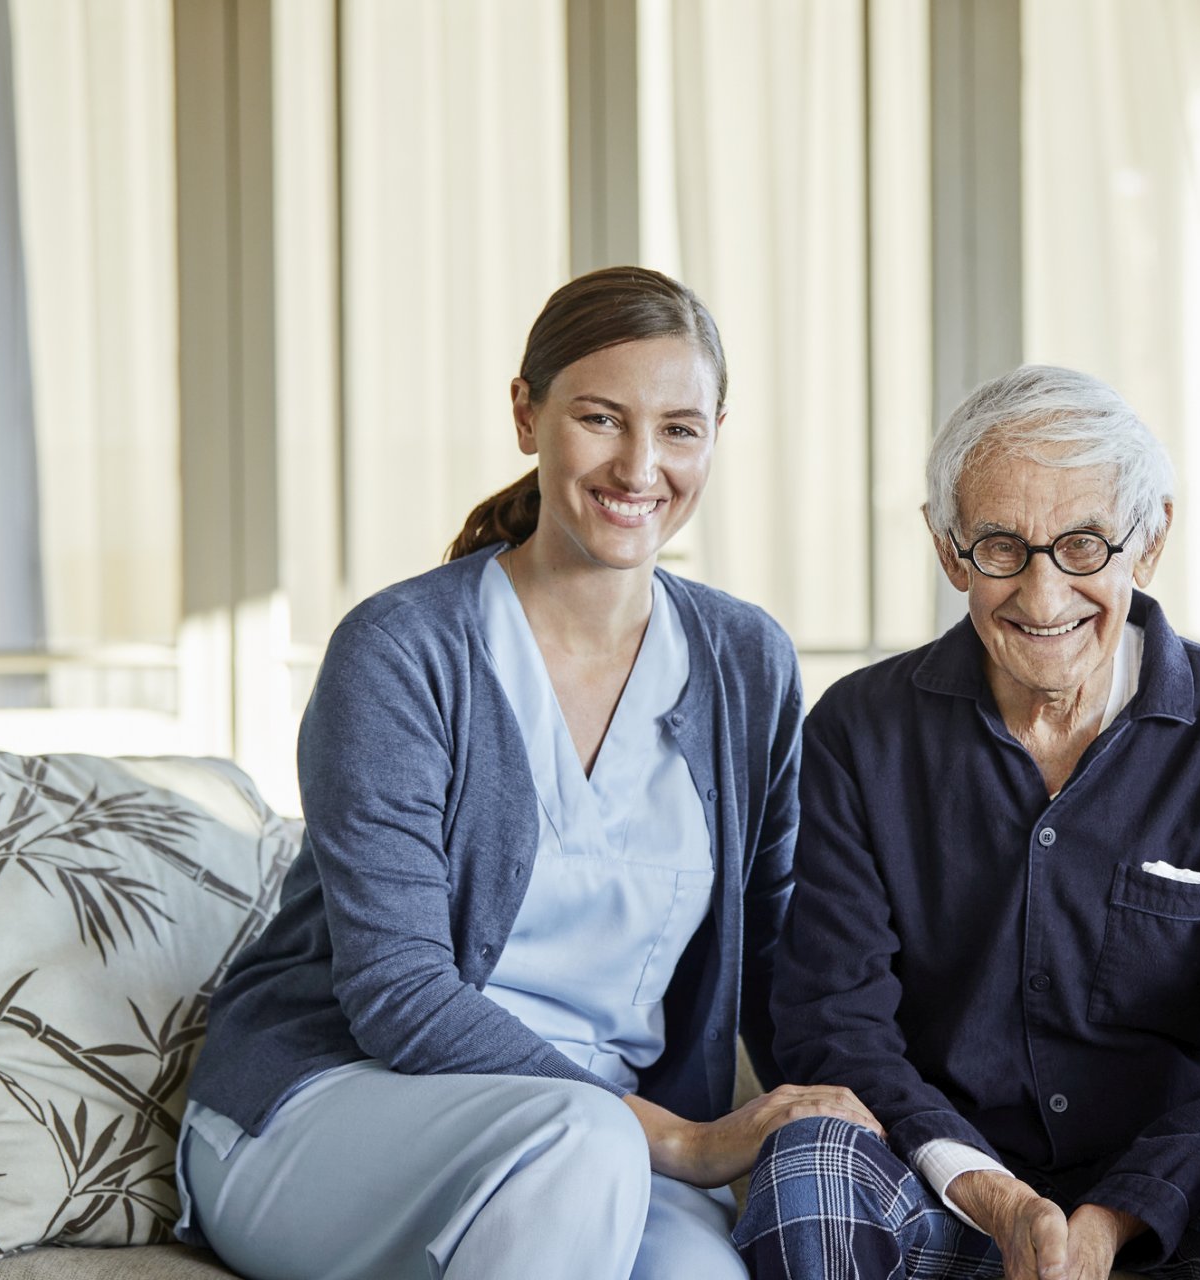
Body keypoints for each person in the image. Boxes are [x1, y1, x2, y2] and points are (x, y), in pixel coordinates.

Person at [176, 266, 882, 1280]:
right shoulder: (404, 649)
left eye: (681, 429)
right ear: (527, 413)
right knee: (581, 1141)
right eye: (602, 417)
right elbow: (396, 989)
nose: (641, 465)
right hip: (334, 1107)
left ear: (717, 434)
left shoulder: (747, 661)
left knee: (705, 1273)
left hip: (603, 1139)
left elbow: (776, 954)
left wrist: (902, 1124)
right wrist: (681, 1140)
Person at [733, 365, 1200, 1280]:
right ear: (947, 550)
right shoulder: (858, 733)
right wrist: (998, 1200)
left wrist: (1112, 1216)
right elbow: (832, 1029)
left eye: (1084, 545)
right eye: (1001, 548)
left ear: (1150, 540)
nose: (1043, 599)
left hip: (1187, 1192)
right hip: (949, 1191)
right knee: (806, 1159)